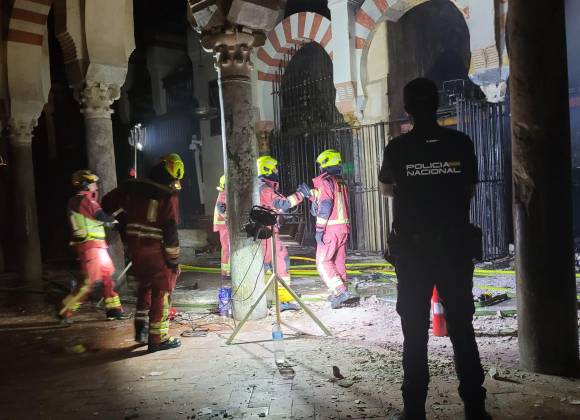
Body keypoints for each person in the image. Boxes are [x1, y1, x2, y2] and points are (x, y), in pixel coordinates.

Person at [379, 78, 490, 420]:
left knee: (414, 333)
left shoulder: (397, 148)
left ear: (407, 109)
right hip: (454, 249)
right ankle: (475, 409)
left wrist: (415, 189)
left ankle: (414, 410)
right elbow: (469, 189)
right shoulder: (460, 143)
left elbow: (386, 190)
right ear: (438, 103)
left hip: (413, 254)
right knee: (462, 329)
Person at [102, 153, 184, 353]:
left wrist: (123, 222)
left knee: (145, 287)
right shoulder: (168, 195)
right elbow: (170, 229)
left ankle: (142, 330)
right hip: (156, 249)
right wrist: (173, 260)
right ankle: (157, 339)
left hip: (135, 248)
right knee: (161, 291)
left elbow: (106, 203)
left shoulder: (132, 186)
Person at [59, 170, 126, 324]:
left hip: (97, 247)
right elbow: (101, 216)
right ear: (85, 185)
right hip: (90, 248)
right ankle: (64, 311)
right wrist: (117, 220)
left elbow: (98, 219)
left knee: (108, 278)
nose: (96, 187)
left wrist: (112, 221)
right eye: (93, 184)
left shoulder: (77, 201)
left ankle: (114, 310)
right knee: (88, 284)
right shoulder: (85, 201)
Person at [297, 149, 359, 309]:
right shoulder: (340, 181)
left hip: (331, 229)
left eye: (321, 165)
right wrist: (311, 196)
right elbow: (329, 200)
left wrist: (319, 230)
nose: (320, 168)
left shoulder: (325, 181)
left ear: (325, 164)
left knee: (323, 262)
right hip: (343, 229)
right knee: (338, 262)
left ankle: (341, 291)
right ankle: (343, 293)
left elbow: (325, 205)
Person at [257, 156, 304, 310]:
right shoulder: (265, 189)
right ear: (266, 169)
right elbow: (283, 203)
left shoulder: (263, 187)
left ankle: (271, 299)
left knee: (266, 266)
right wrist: (300, 195)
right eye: (274, 168)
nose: (276, 171)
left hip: (264, 233)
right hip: (267, 234)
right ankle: (281, 300)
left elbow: (276, 206)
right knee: (279, 263)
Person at [213, 174, 230, 279]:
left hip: (225, 226)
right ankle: (227, 272)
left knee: (227, 248)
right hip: (225, 226)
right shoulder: (224, 194)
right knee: (227, 248)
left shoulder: (224, 193)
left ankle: (227, 271)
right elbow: (222, 209)